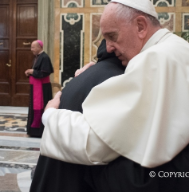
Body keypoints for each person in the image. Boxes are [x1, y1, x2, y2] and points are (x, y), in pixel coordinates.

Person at [39, 0, 189, 191]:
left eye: (112, 36)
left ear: (141, 26)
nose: (109, 47)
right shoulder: (174, 48)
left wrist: (51, 116)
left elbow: (98, 142)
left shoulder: (154, 59)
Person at [30, 39, 125, 191]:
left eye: (33, 47)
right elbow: (100, 144)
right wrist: (49, 115)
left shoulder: (84, 75)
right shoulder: (119, 80)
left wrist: (49, 115)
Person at [25, 40, 53, 137]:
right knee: (34, 107)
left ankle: (39, 131)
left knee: (41, 107)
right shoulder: (37, 57)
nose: (31, 49)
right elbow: (37, 70)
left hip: (42, 89)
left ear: (39, 47)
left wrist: (32, 72)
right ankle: (33, 130)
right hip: (36, 87)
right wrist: (30, 72)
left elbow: (45, 73)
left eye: (33, 47)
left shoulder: (44, 57)